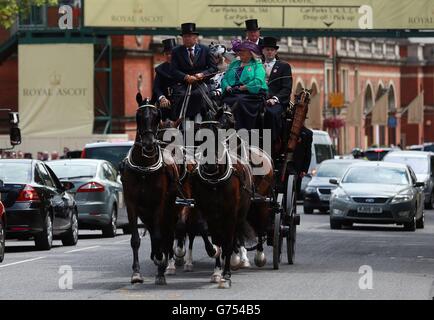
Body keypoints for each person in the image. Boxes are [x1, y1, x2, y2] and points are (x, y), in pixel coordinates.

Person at [170, 23, 218, 121]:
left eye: (189, 36)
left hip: (201, 83)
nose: (186, 39)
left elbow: (213, 68)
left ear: (195, 37)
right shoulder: (176, 51)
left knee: (199, 95)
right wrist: (186, 77)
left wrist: (202, 75)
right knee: (181, 96)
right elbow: (173, 70)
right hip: (183, 84)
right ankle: (182, 121)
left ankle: (201, 120)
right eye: (184, 36)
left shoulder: (205, 50)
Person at [221, 39, 268, 131]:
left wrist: (243, 88)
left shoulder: (257, 65)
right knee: (221, 101)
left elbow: (258, 81)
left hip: (251, 93)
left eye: (243, 51)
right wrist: (227, 86)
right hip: (233, 91)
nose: (240, 53)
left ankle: (242, 128)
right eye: (240, 51)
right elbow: (225, 78)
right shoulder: (235, 63)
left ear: (250, 54)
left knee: (239, 101)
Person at [261, 36, 293, 146]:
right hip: (258, 98)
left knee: (270, 113)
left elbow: (286, 89)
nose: (269, 52)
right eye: (267, 50)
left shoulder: (284, 66)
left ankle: (271, 142)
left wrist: (275, 99)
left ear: (275, 51)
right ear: (263, 51)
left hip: (276, 101)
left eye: (272, 50)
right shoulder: (257, 66)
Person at [151, 38, 178, 120]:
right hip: (165, 104)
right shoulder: (160, 69)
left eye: (171, 54)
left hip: (182, 103)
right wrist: (162, 98)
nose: (169, 56)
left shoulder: (184, 67)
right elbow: (156, 87)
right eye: (167, 54)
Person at [293, 126, 313, 194]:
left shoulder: (307, 133)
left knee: (296, 188)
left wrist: (304, 169)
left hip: (298, 166)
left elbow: (308, 153)